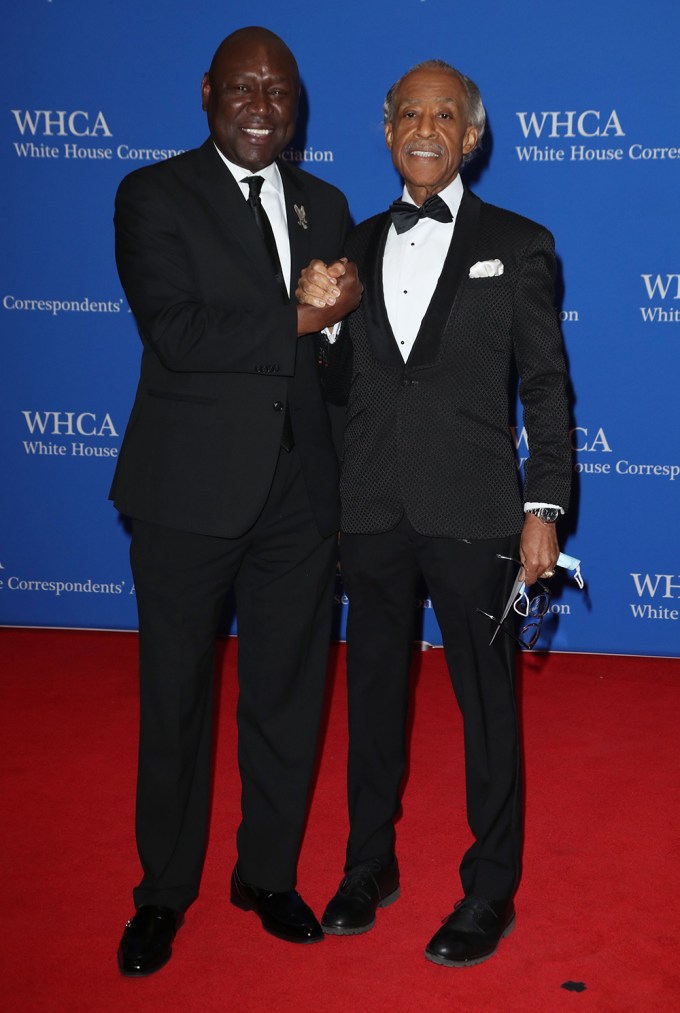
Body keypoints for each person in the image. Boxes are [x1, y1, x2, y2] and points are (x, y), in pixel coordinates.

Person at [297, 59, 572, 967]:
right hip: (372, 507)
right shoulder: (356, 245)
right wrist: (327, 328)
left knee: (487, 705)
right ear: (386, 131)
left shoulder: (522, 244)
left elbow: (545, 386)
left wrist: (545, 507)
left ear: (472, 135)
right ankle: (367, 863)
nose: (425, 127)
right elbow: (341, 390)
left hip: (476, 509)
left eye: (444, 115)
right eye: (408, 113)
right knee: (372, 696)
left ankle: (490, 885)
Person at [112, 26, 361, 976]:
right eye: (245, 90)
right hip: (187, 492)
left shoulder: (326, 203)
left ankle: (265, 872)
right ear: (209, 92)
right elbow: (178, 332)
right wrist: (309, 315)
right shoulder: (153, 195)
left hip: (300, 495)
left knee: (288, 698)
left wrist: (340, 326)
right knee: (175, 699)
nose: (263, 108)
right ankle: (163, 891)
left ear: (298, 108)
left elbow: (332, 363)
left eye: (281, 95)